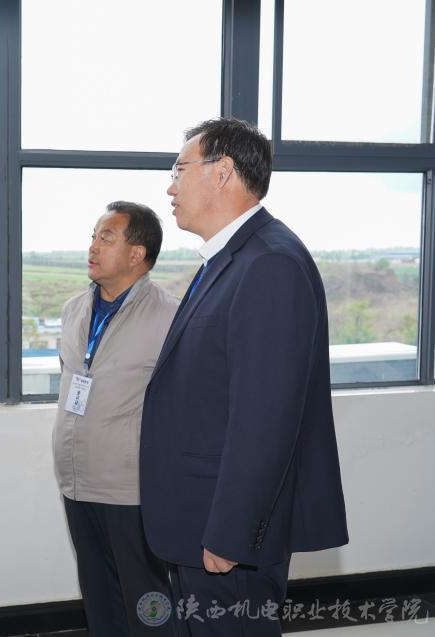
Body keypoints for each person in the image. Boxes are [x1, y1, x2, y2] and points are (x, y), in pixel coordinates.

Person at [140, 117, 348, 636]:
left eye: (179, 170)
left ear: (223, 172)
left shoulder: (270, 263)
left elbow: (266, 419)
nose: (170, 187)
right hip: (198, 518)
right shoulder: (229, 259)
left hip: (225, 536)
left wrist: (232, 531)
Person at [52, 201, 178, 636]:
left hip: (131, 489)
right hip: (76, 479)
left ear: (136, 254)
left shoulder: (170, 317)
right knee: (99, 596)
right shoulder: (74, 309)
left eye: (106, 238)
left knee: (146, 601)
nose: (93, 246)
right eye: (93, 236)